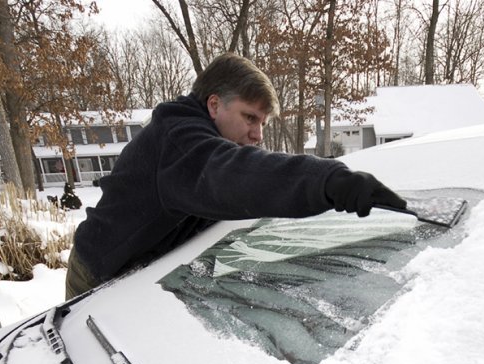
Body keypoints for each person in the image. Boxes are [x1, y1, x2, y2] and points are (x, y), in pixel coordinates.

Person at [65, 53, 406, 300]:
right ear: (214, 105)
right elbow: (235, 174)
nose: (257, 134)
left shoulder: (195, 139)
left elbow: (244, 185)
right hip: (99, 275)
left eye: (262, 123)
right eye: (250, 118)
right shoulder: (180, 142)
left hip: (142, 269)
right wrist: (329, 181)